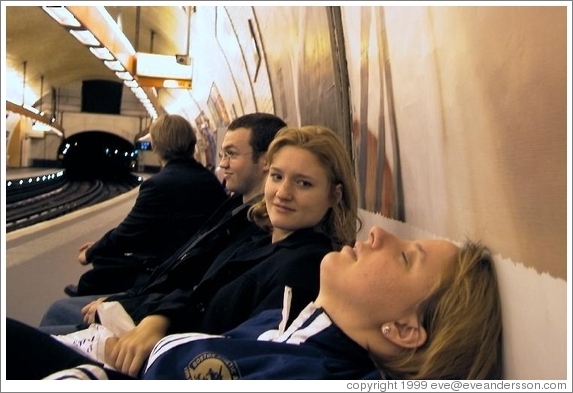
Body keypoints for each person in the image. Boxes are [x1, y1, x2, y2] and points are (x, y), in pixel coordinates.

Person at [35, 125, 360, 377]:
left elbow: (245, 355)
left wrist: (156, 337)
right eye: (277, 176)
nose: (282, 193)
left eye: (304, 183)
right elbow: (199, 291)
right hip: (147, 343)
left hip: (149, 366)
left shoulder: (305, 266)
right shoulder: (261, 238)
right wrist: (159, 319)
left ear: (335, 195)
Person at [5, 226, 503, 380]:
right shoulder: (286, 324)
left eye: (405, 257)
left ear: (403, 329)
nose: (378, 234)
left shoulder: (306, 377)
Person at [40, 112, 287, 333]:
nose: (222, 164)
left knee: (57, 311)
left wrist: (135, 305)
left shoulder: (260, 230)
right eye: (222, 154)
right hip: (162, 300)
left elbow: (200, 289)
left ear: (265, 160)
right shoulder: (228, 199)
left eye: (230, 154)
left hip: (166, 319)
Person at [64, 113, 228, 297]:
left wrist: (90, 253)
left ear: (155, 145)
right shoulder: (208, 179)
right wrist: (99, 246)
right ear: (192, 143)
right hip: (198, 261)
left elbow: (127, 233)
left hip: (171, 269)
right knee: (105, 252)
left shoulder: (159, 184)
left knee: (101, 264)